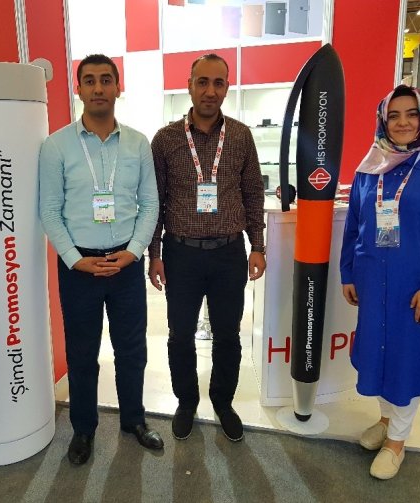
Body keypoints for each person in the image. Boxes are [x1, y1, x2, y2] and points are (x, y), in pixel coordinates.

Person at [39, 54, 163, 466]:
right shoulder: (56, 145)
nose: (98, 88)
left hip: (125, 264)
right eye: (89, 80)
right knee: (82, 353)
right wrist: (74, 259)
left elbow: (150, 204)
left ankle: (134, 420)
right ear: (78, 89)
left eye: (106, 80)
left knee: (132, 350)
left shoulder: (137, 143)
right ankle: (83, 429)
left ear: (117, 88)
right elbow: (49, 210)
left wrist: (134, 252)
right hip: (79, 269)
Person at [340, 85, 420, 480]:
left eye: (411, 114)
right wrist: (348, 271)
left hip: (415, 284)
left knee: (405, 358)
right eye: (393, 115)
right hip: (371, 279)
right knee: (377, 352)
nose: (403, 122)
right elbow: (354, 225)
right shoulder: (369, 166)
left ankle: (397, 441)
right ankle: (386, 419)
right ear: (383, 120)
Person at [148, 53, 266, 443]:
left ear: (227, 88)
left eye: (218, 83)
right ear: (190, 86)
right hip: (180, 254)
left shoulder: (241, 136)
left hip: (229, 254)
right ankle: (186, 402)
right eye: (203, 82)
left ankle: (223, 401)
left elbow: (253, 194)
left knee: (228, 335)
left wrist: (258, 246)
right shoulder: (166, 139)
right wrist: (155, 254)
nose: (210, 91)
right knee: (180, 334)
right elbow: (155, 202)